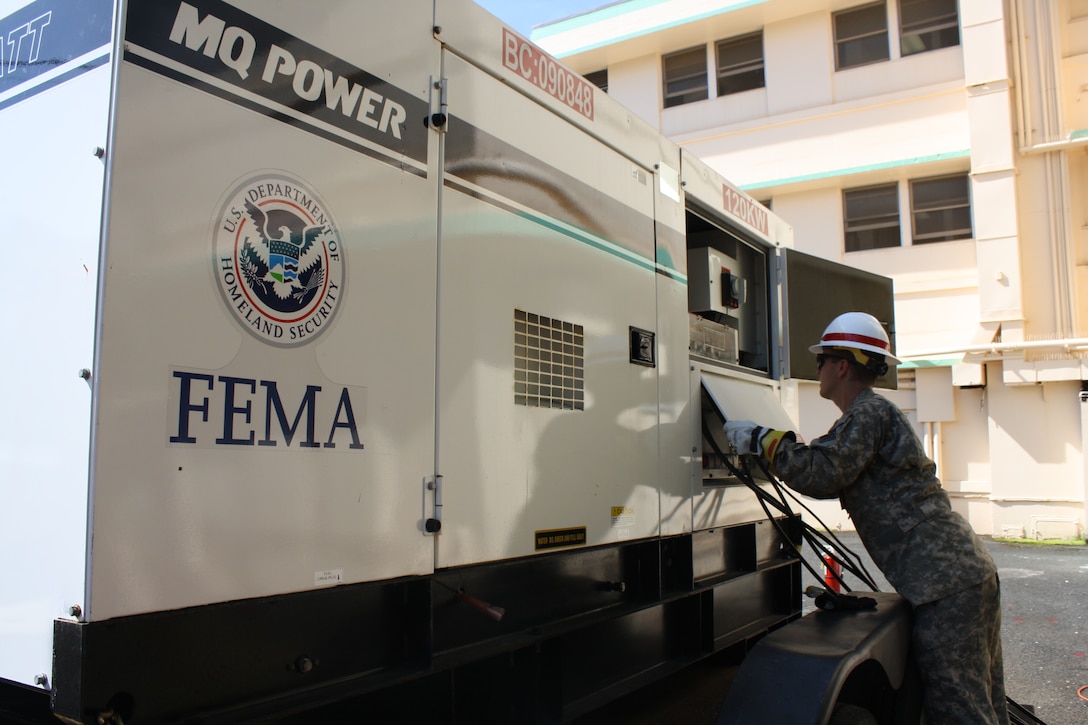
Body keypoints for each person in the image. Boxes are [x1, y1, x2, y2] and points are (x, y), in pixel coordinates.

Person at [724, 312, 1008, 725]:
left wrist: (758, 440)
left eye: (821, 360)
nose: (817, 368)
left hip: (945, 583)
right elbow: (825, 459)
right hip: (958, 575)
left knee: (958, 709)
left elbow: (822, 472)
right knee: (979, 701)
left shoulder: (868, 412)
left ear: (842, 365)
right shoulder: (868, 416)